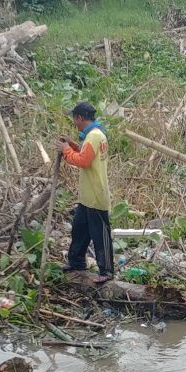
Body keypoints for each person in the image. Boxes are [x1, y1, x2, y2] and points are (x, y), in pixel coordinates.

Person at [56, 101, 113, 283]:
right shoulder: (94, 135)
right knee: (79, 230)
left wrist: (66, 151)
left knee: (100, 235)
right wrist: (72, 145)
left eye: (74, 118)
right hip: (87, 196)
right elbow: (86, 153)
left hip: (96, 195)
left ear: (80, 118)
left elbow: (84, 161)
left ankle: (107, 271)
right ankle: (76, 262)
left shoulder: (95, 136)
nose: (74, 122)